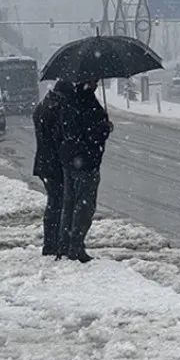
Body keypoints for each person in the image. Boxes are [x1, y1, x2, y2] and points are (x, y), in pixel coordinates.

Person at [57, 79, 113, 262]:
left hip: (69, 159)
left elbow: (67, 129)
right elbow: (91, 133)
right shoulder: (87, 102)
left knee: (70, 203)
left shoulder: (69, 100)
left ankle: (63, 244)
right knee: (84, 206)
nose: (97, 82)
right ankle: (76, 247)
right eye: (94, 79)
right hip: (86, 161)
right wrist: (105, 126)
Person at [33, 80, 74, 256]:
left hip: (45, 163)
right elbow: (60, 138)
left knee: (54, 202)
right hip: (54, 165)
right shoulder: (55, 109)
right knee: (57, 203)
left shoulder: (43, 106)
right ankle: (53, 243)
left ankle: (52, 242)